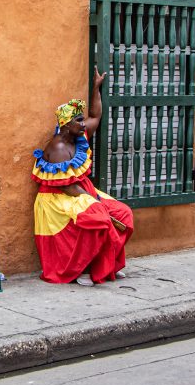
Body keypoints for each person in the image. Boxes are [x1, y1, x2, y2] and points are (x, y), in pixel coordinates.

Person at [31, 70, 134, 285]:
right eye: (79, 120)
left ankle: (107, 263)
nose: (83, 123)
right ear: (67, 125)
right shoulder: (59, 148)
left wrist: (96, 87)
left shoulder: (78, 135)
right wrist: (93, 200)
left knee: (123, 213)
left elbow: (96, 116)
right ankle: (84, 270)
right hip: (59, 197)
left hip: (81, 190)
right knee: (97, 217)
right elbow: (66, 187)